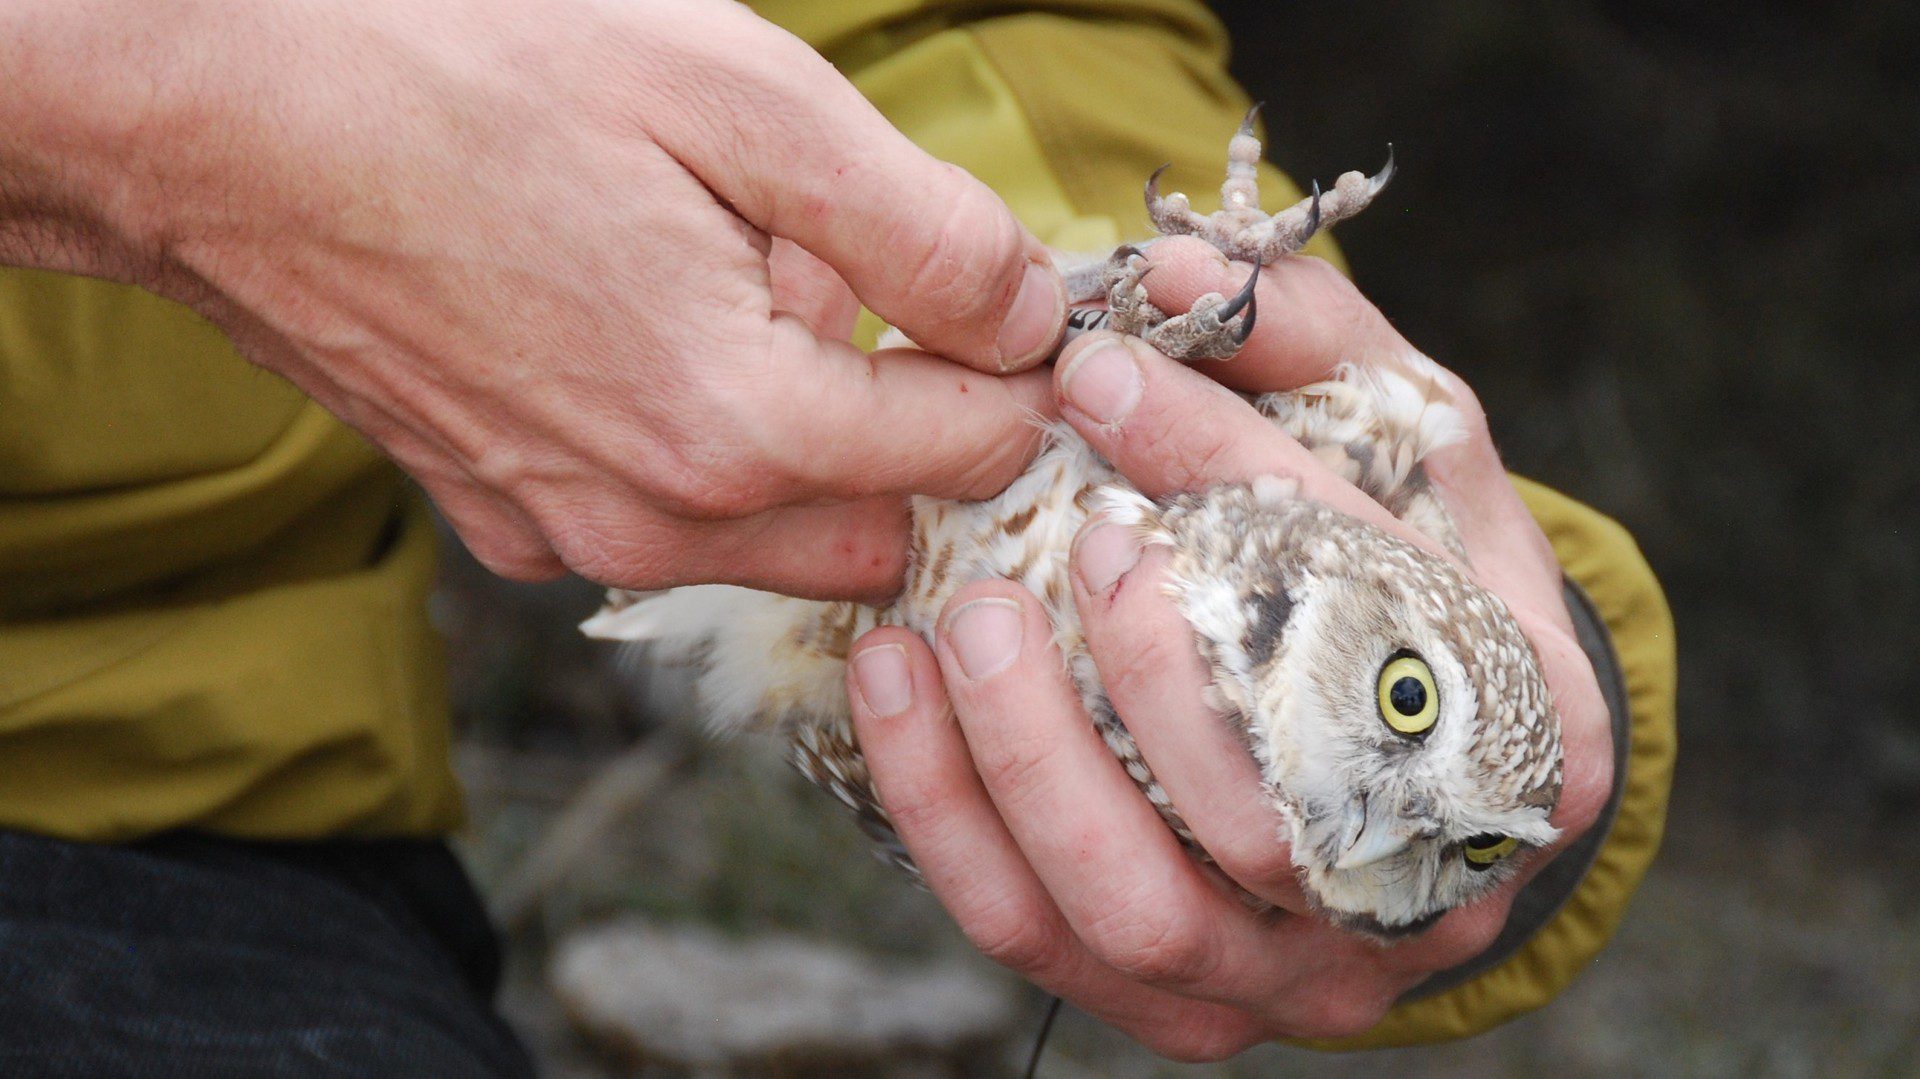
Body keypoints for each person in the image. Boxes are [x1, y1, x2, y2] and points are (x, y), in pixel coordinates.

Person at [0, 0, 1675, 1070]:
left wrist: (1516, 789)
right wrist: (164, 123)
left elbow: (959, 36)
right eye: (1405, 721)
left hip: (167, 789)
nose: (1392, 805)